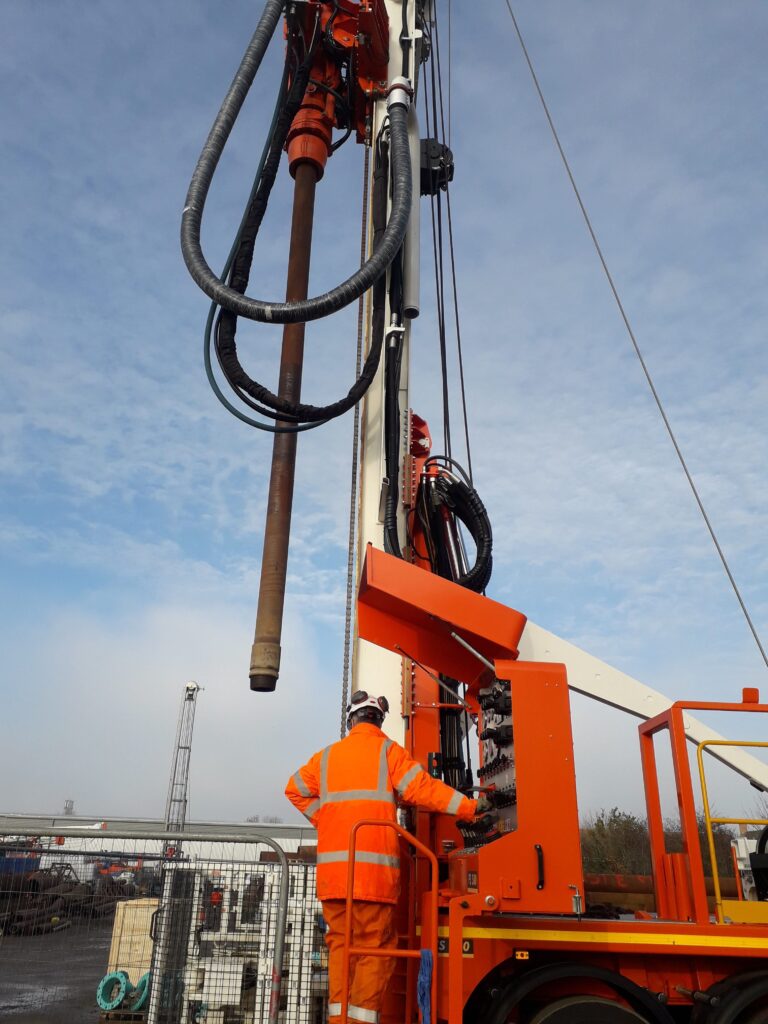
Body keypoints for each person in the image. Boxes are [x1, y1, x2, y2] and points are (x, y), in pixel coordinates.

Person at [285, 690, 494, 1024]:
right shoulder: (388, 752)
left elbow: (293, 788)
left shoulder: (325, 758)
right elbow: (423, 788)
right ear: (379, 720)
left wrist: (325, 818)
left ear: (351, 719)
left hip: (334, 882)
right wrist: (469, 808)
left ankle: (339, 1021)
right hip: (374, 880)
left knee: (340, 948)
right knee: (374, 952)